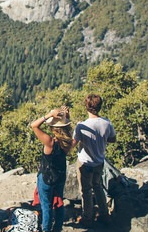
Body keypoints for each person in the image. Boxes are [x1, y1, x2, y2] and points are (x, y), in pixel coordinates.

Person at [72, 93, 116, 227]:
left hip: (85, 163)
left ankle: (87, 218)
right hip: (99, 162)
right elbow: (112, 139)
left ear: (86, 107)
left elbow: (72, 144)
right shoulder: (107, 123)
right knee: (98, 187)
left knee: (86, 190)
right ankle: (104, 215)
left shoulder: (81, 126)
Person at [30, 106, 72, 232]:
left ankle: (46, 230)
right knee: (59, 203)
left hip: (47, 177)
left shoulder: (50, 142)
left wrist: (48, 115)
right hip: (60, 177)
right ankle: (57, 229)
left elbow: (34, 126)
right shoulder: (68, 141)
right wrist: (66, 117)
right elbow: (68, 129)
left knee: (46, 206)